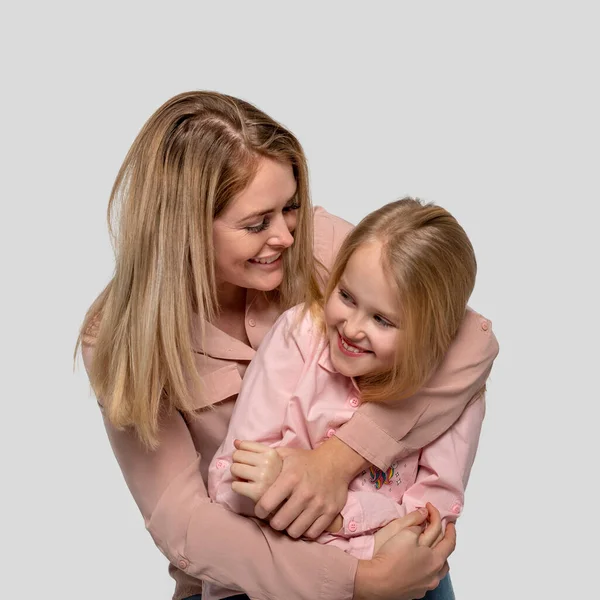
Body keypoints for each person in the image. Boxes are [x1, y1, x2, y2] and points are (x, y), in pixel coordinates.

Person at [78, 91, 499, 600]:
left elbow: (469, 339)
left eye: (291, 207)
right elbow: (184, 525)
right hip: (252, 585)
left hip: (383, 537)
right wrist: (358, 582)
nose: (284, 235)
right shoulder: (119, 336)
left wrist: (337, 461)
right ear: (184, 228)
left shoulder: (318, 246)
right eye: (257, 223)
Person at [207, 198, 489, 600]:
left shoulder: (454, 389)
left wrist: (321, 510)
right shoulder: (300, 335)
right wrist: (362, 543)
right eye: (347, 296)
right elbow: (229, 485)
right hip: (283, 580)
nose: (352, 328)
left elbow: (428, 522)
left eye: (382, 320)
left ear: (432, 335)